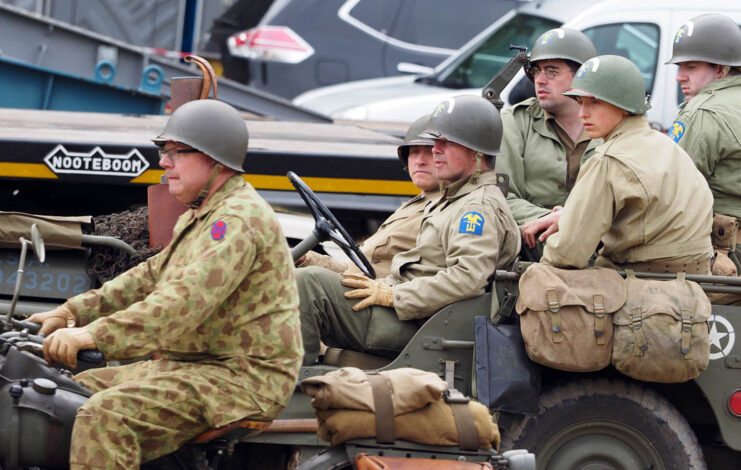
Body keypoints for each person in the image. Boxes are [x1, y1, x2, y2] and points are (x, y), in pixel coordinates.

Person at [27, 99, 303, 468]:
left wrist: (93, 336)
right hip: (191, 366)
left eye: (176, 152)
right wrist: (72, 311)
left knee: (106, 415)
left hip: (240, 378)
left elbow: (180, 304)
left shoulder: (237, 219)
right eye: (164, 151)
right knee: (62, 395)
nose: (164, 162)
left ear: (214, 159)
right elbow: (151, 275)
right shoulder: (204, 213)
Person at [298, 95, 520, 365]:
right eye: (433, 142)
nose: (435, 150)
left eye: (446, 142)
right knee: (305, 275)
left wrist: (395, 295)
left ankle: (293, 382)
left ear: (477, 152)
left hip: (417, 323)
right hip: (407, 313)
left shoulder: (476, 207)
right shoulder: (455, 199)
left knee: (308, 284)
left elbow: (468, 277)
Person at [538, 55, 713, 274]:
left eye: (595, 102)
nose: (583, 113)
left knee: (539, 282)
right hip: (694, 283)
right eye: (580, 102)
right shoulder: (667, 146)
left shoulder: (609, 159)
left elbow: (566, 253)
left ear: (624, 106)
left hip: (639, 284)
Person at [496, 28, 599, 259]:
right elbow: (500, 197)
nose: (539, 80)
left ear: (582, 75)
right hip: (531, 253)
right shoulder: (515, 123)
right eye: (536, 70)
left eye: (552, 71)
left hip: (602, 256)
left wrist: (570, 219)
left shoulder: (609, 126)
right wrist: (556, 221)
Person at [297, 114, 439, 278]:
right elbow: (354, 271)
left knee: (305, 280)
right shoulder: (412, 207)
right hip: (362, 289)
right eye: (414, 152)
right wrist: (306, 258)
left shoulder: (444, 210)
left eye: (430, 153)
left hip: (384, 298)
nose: (420, 161)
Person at [666, 13, 741, 275]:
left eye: (691, 67)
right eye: (679, 67)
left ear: (720, 69)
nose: (680, 76)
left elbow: (667, 191)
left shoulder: (701, 112)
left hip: (726, 256)